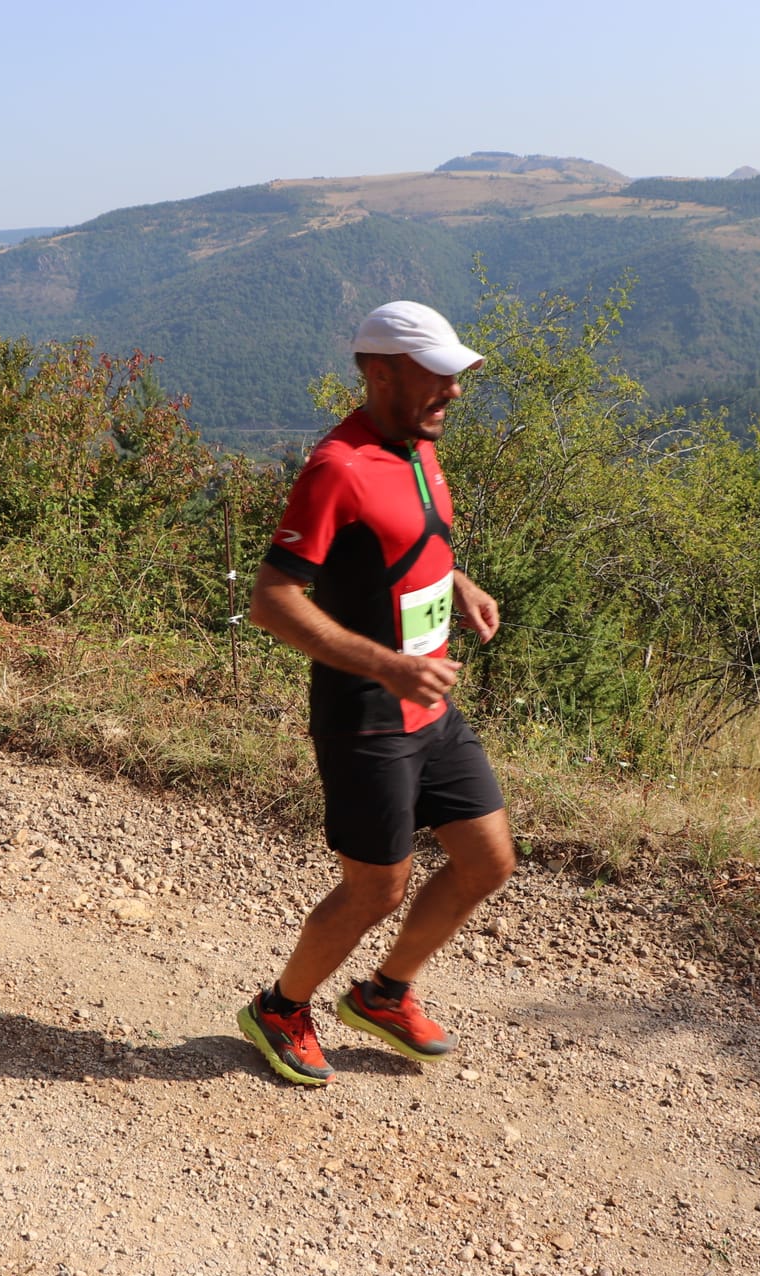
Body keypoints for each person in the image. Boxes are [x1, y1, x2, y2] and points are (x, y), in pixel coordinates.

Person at [237, 300, 517, 1086]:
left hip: (430, 707)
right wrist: (388, 666)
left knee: (487, 861)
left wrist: (454, 579)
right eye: (439, 375)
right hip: (367, 716)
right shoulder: (339, 467)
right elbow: (272, 599)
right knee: (377, 888)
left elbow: (402, 539)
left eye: (456, 377)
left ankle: (384, 992)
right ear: (382, 372)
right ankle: (280, 1007)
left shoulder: (416, 443)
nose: (454, 392)